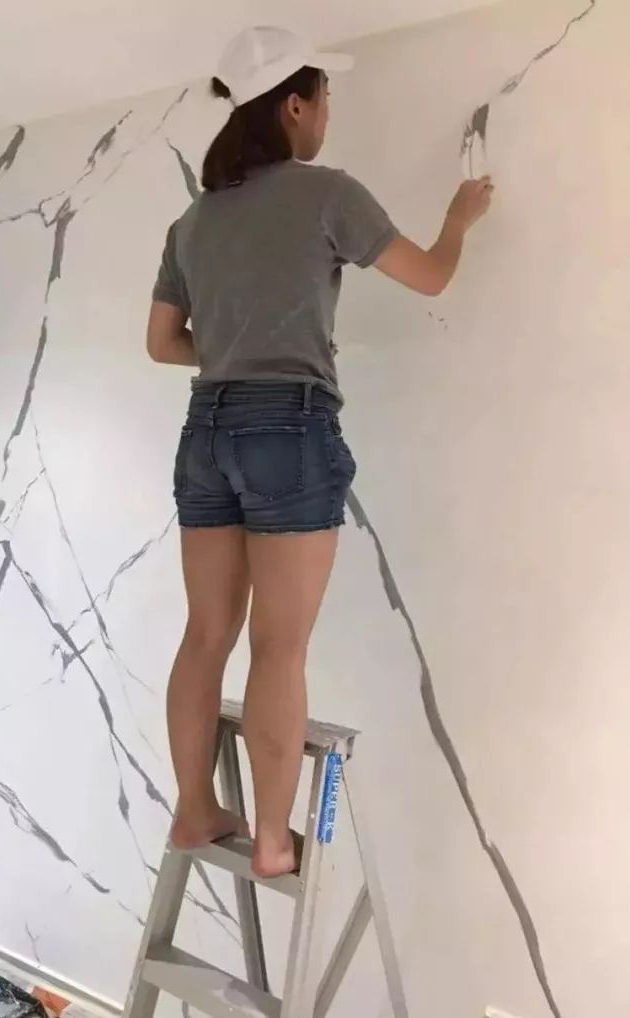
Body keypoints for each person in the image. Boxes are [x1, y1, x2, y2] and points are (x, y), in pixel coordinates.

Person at [147, 26, 493, 878]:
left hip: (205, 429)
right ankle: (272, 840)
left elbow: (162, 343)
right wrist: (459, 217)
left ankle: (193, 810)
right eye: (325, 98)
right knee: (280, 646)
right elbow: (431, 275)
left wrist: (234, 351)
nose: (328, 114)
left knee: (206, 634)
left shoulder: (192, 221)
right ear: (294, 107)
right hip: (288, 429)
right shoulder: (326, 193)